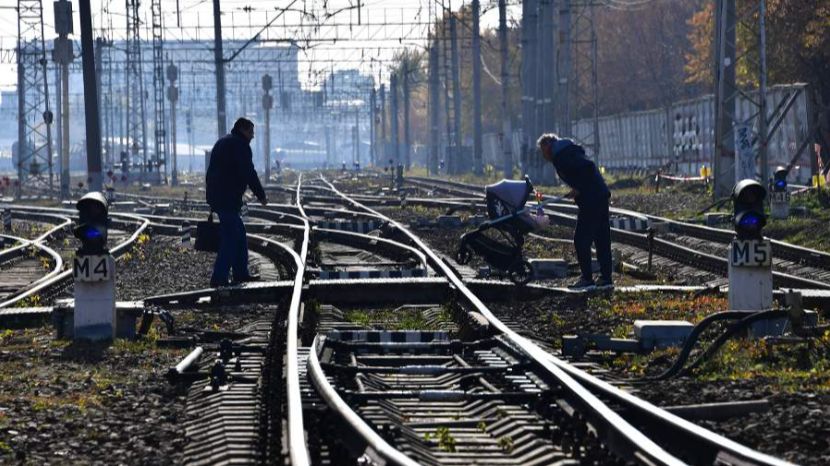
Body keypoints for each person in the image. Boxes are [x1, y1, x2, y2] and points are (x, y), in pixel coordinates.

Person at [537, 133, 613, 290]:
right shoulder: (567, 150)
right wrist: (576, 189)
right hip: (599, 195)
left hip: (592, 200)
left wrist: (580, 187)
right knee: (601, 238)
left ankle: (587, 278)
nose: (543, 156)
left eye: (542, 151)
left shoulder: (562, 155)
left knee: (581, 240)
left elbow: (588, 168)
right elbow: (582, 172)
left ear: (547, 146)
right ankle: (606, 278)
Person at [206, 117, 268, 287]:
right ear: (243, 129)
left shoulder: (223, 142)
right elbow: (249, 172)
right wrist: (261, 195)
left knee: (239, 233)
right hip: (227, 198)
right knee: (231, 237)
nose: (253, 136)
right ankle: (219, 277)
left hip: (219, 197)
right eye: (251, 132)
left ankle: (241, 273)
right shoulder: (240, 146)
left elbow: (211, 171)